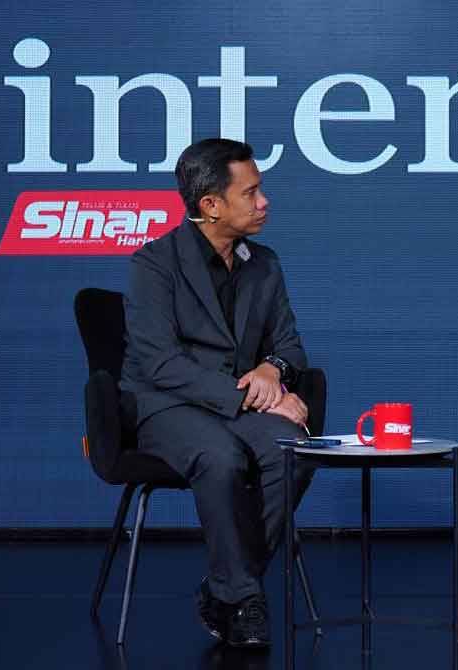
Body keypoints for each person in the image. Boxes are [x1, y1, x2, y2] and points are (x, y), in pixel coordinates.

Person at [120, 138, 316, 648]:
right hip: (168, 404)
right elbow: (159, 363)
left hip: (234, 406)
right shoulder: (154, 264)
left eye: (261, 190)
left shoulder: (264, 263)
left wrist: (272, 369)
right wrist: (251, 395)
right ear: (210, 205)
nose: (264, 202)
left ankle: (226, 589)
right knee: (220, 456)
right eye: (250, 193)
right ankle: (245, 599)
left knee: (294, 450)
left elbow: (290, 345)